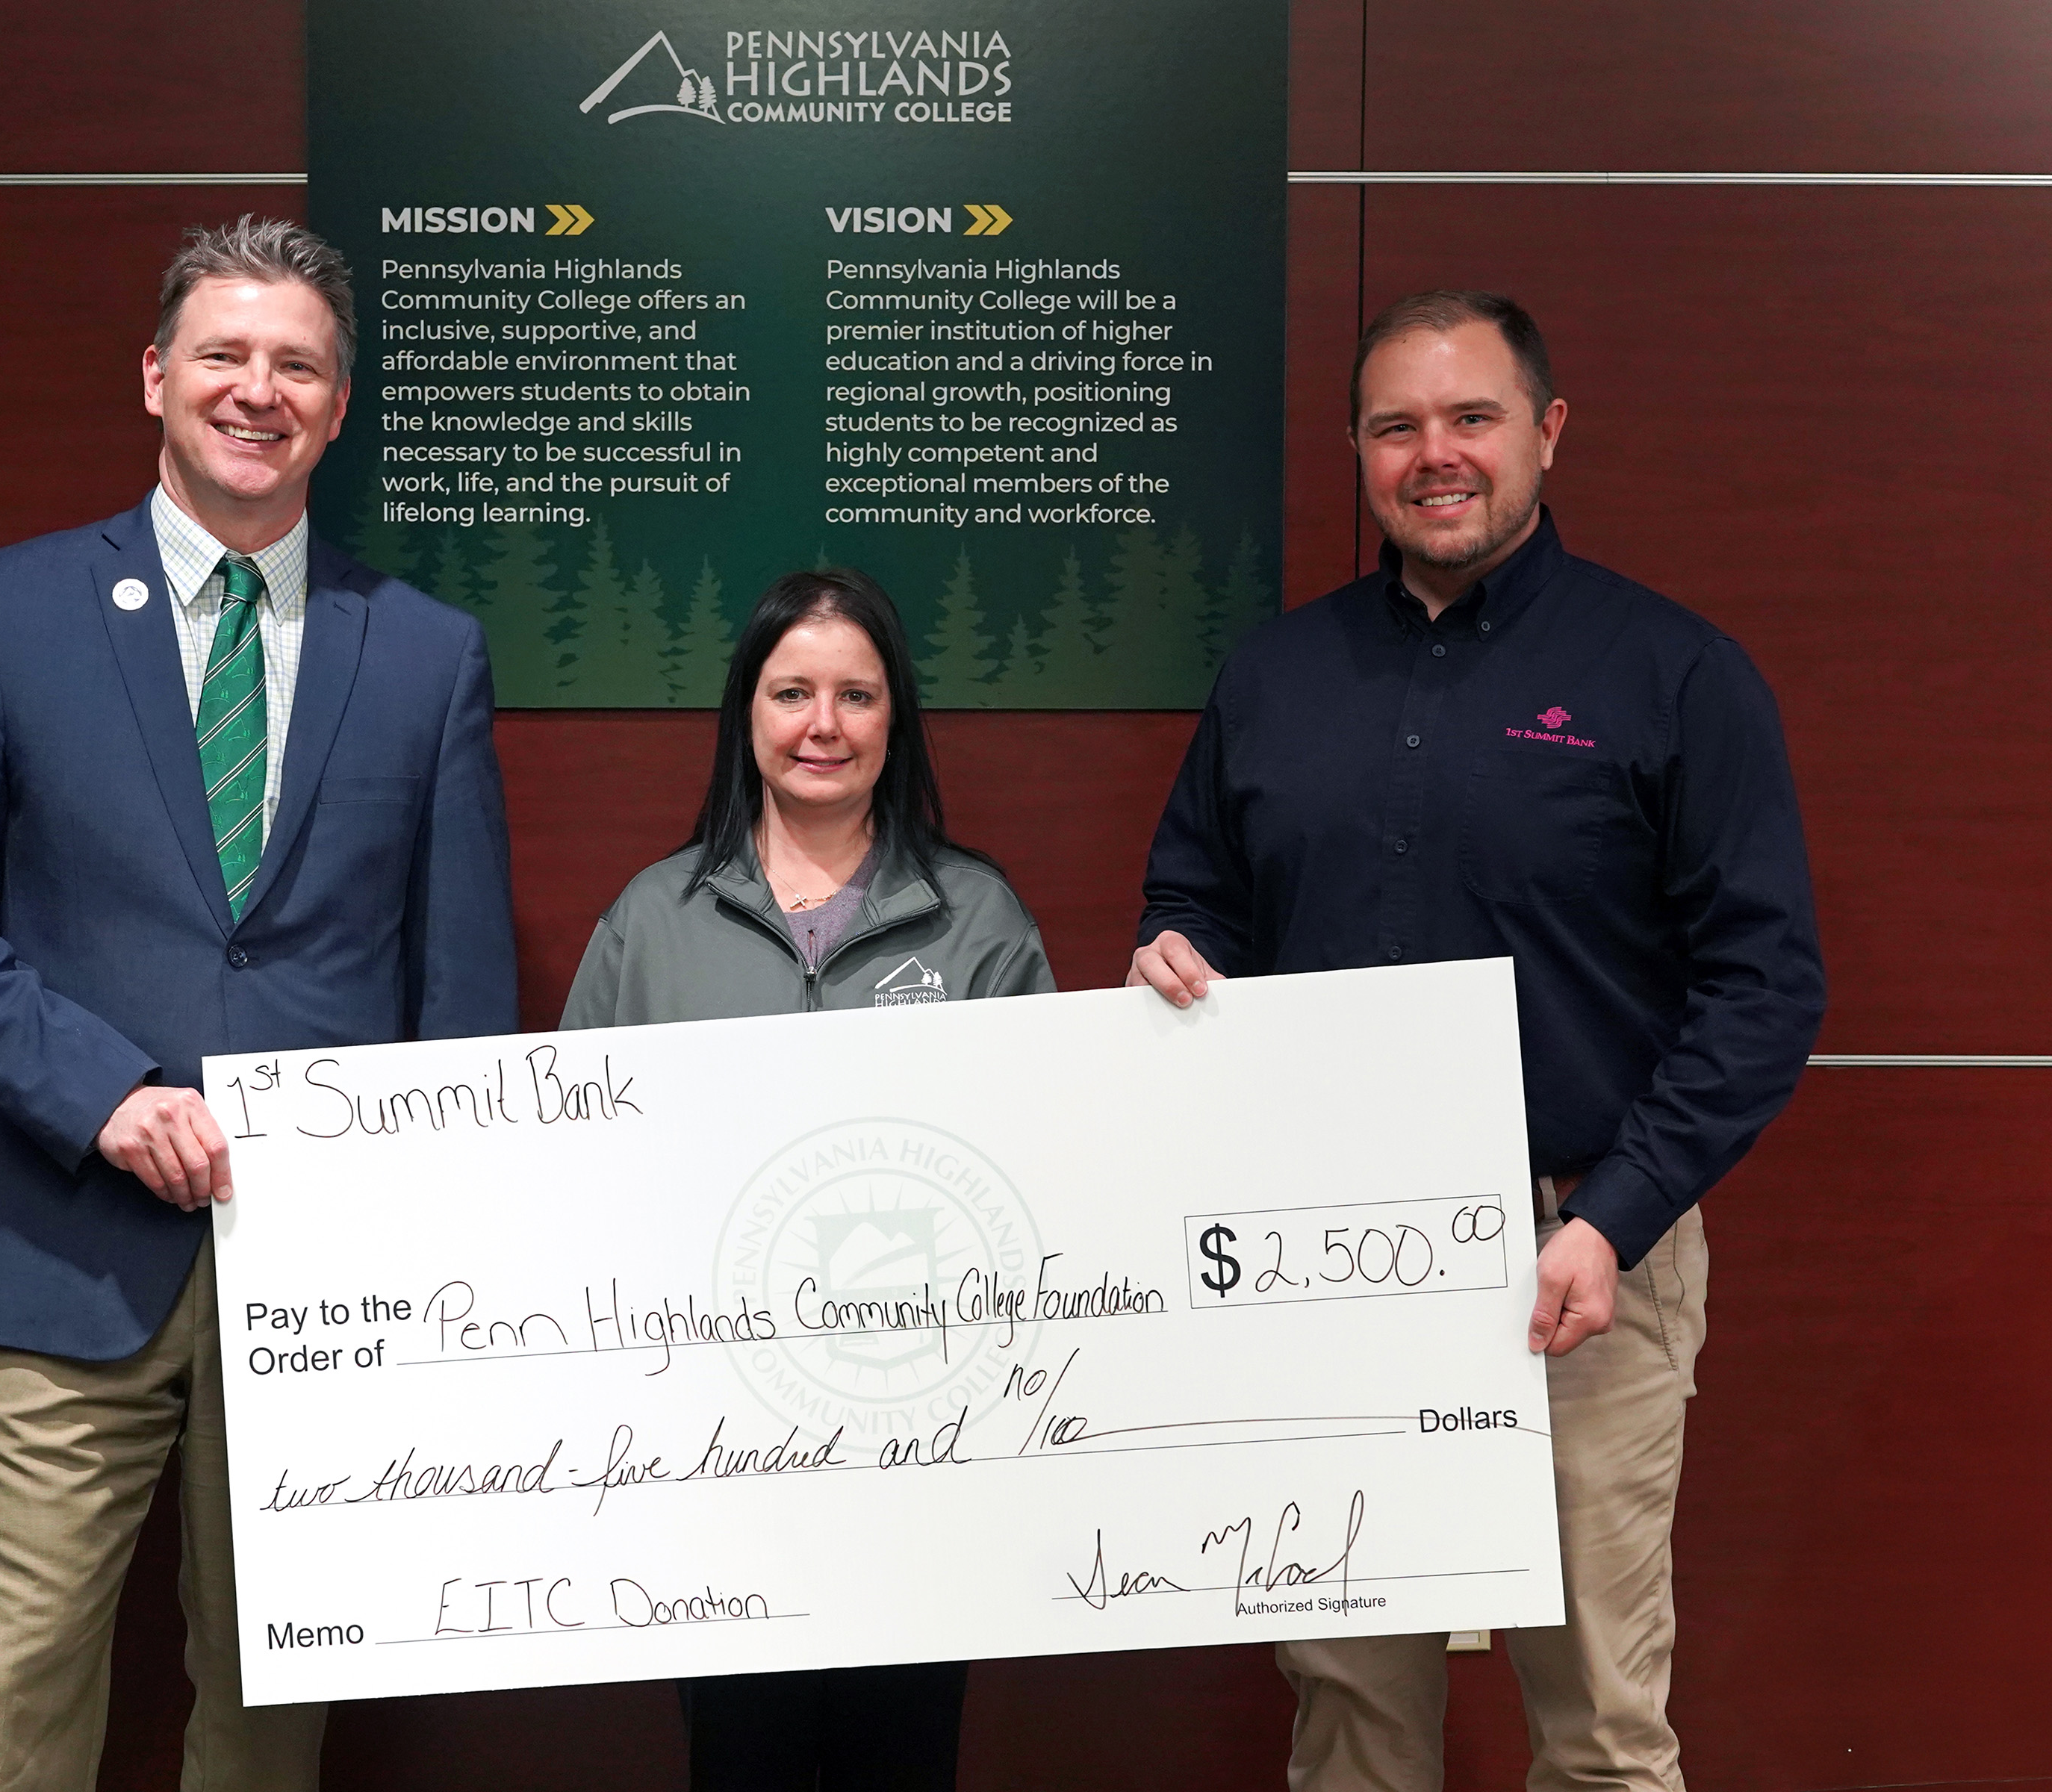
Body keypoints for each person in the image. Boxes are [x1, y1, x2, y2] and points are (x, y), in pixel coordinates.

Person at [0, 216, 516, 1792]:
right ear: (156, 376)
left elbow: (463, 992)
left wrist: (441, 1261)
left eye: (298, 365)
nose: (257, 390)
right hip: (62, 1233)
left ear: (339, 408)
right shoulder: (5, 614)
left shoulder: (425, 656)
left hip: (326, 1275)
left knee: (278, 1697)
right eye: (224, 354)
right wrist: (103, 1092)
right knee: (10, 1682)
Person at [1131, 291, 1824, 1791]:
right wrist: (1178, 955)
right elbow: (1198, 893)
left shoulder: (1674, 673)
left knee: (1598, 1737)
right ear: (1362, 453)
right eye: (1397, 426)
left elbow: (1765, 986)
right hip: (1327, 1274)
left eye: (1471, 418)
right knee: (1354, 1726)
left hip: (1577, 1267)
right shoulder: (1275, 678)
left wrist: (1621, 1223)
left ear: (1546, 433)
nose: (1434, 454)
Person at [561, 567, 1053, 1789]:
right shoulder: (651, 920)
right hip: (713, 1454)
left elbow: (1049, 1179)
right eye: (792, 693)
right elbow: (570, 1172)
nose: (821, 724)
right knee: (743, 1756)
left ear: (897, 721)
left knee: (903, 1753)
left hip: (925, 1456)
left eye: (855, 695)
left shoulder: (978, 920)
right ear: (747, 715)